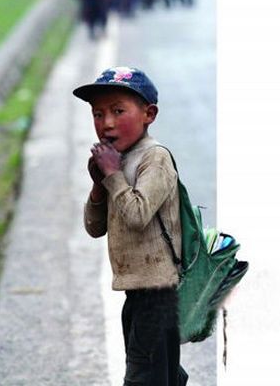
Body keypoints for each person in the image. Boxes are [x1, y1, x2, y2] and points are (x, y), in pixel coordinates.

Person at [73, 67, 189, 386]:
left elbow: (137, 215)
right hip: (137, 293)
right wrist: (99, 185)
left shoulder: (155, 158)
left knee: (143, 377)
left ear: (148, 114)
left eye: (118, 111)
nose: (106, 122)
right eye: (98, 113)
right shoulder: (118, 161)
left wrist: (113, 176)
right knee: (159, 373)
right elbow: (95, 228)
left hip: (158, 292)